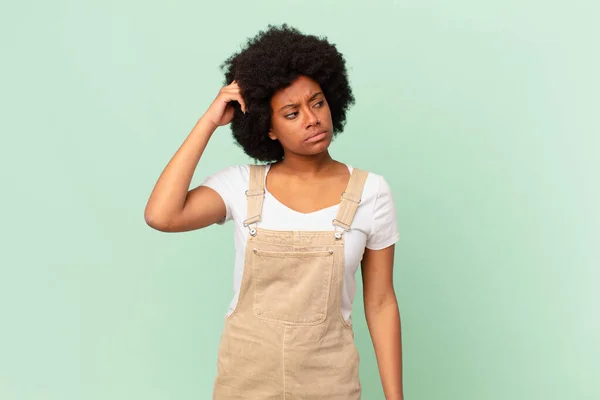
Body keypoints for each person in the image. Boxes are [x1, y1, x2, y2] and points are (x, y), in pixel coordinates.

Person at [144, 23, 404, 400]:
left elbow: (380, 303)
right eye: (292, 113)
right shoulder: (240, 186)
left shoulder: (371, 193)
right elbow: (161, 216)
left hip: (329, 381)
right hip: (245, 381)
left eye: (317, 102)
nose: (312, 118)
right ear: (268, 128)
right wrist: (209, 121)